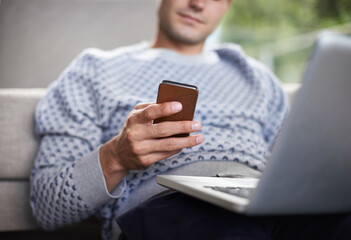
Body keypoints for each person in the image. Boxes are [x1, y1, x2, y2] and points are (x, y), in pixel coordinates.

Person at [30, 0, 295, 239]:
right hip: (172, 207)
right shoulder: (93, 70)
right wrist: (116, 157)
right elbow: (46, 207)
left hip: (266, 204)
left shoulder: (260, 79)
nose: (198, 4)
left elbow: (292, 171)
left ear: (227, 6)